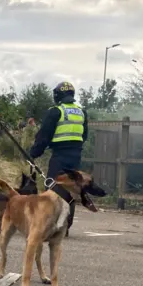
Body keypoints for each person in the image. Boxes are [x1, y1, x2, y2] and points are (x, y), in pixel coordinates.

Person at [29, 81, 88, 237]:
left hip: (60, 156)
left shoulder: (56, 111)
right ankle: (66, 226)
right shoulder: (82, 112)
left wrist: (34, 153)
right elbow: (84, 135)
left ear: (57, 95)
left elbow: (44, 136)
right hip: (76, 156)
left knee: (54, 190)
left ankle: (50, 225)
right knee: (71, 190)